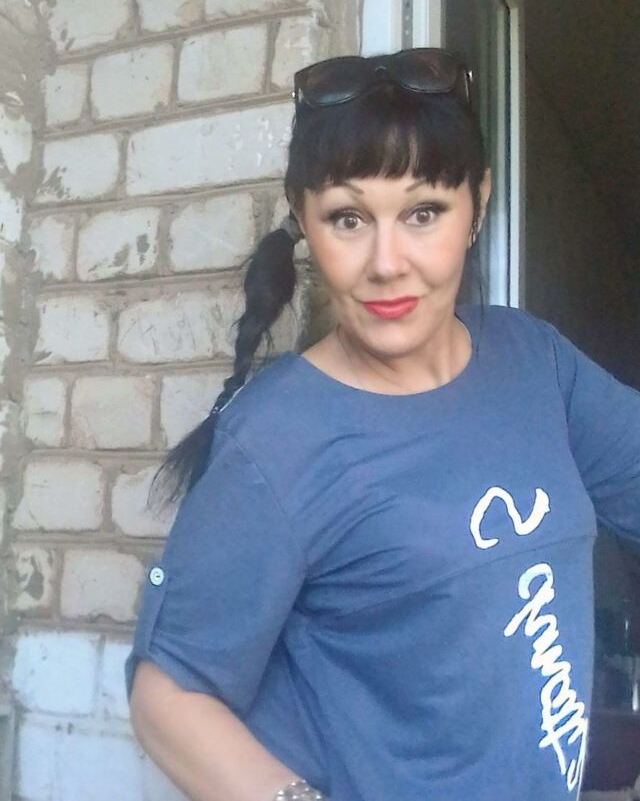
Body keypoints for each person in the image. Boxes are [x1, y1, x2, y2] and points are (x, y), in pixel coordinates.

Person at [125, 47, 640, 801]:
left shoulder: (535, 362)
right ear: (304, 219)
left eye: (424, 211)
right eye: (348, 218)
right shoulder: (276, 440)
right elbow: (168, 693)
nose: (387, 262)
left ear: (477, 203)